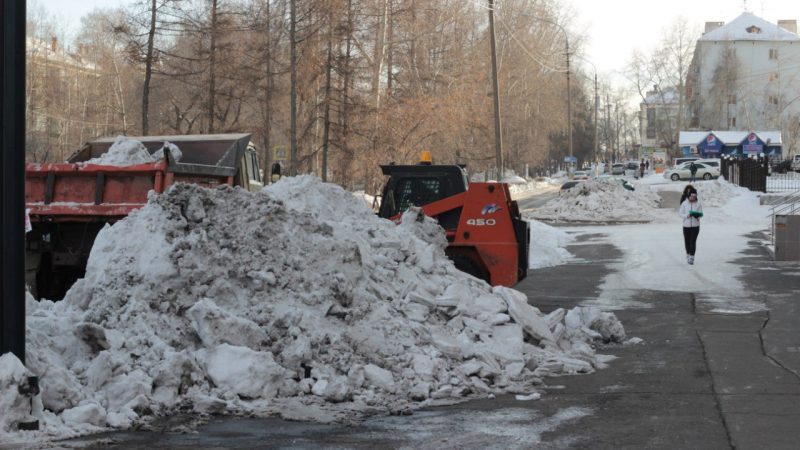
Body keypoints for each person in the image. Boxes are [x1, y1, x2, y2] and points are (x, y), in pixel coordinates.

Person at [679, 188, 703, 265]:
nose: (692, 198)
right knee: (687, 241)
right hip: (686, 225)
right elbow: (680, 213)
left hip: (695, 226)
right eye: (691, 197)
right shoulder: (684, 204)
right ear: (688, 196)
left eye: (694, 197)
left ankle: (692, 257)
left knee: (693, 241)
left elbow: (700, 214)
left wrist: (697, 216)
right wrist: (687, 215)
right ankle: (688, 254)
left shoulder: (698, 204)